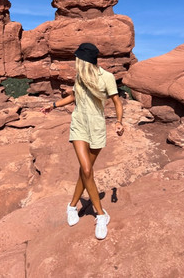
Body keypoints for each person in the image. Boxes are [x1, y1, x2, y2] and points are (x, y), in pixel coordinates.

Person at [41, 43, 124, 240]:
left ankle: (71, 206)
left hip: (96, 127)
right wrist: (53, 105)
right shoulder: (80, 77)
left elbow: (117, 102)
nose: (75, 62)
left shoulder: (107, 78)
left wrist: (120, 123)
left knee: (84, 173)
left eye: (77, 59)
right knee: (87, 170)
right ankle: (101, 215)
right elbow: (74, 98)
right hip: (79, 125)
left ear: (84, 60)